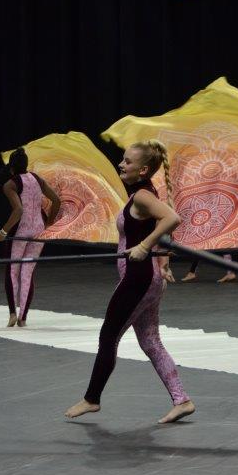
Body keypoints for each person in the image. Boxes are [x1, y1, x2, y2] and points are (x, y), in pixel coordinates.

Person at [65, 139, 195, 424]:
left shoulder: (142, 197)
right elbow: (160, 228)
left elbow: (172, 218)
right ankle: (182, 400)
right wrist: (163, 260)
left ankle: (92, 399)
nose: (121, 164)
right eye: (123, 160)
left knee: (108, 336)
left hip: (139, 279)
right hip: (145, 278)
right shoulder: (143, 194)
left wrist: (145, 246)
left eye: (127, 162)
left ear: (143, 170)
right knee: (150, 341)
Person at [0, 147, 61, 327]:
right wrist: (49, 224)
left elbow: (18, 210)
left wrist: (3, 232)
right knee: (27, 273)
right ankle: (23, 318)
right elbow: (56, 200)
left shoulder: (10, 184)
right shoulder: (37, 179)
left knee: (13, 271)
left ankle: (12, 314)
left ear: (11, 168)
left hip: (21, 232)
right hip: (38, 230)